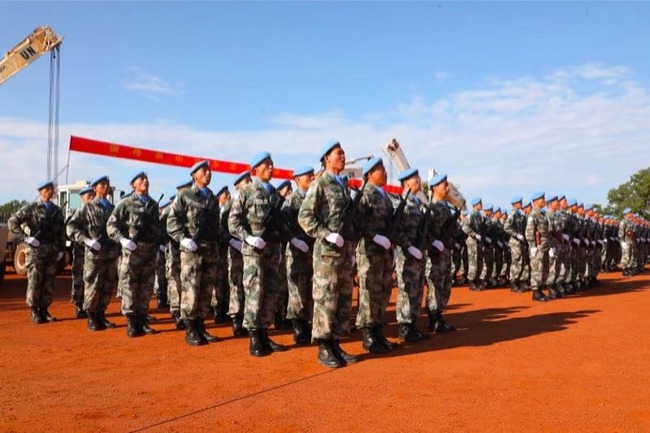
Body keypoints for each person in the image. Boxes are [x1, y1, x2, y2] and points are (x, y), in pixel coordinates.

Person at [299, 140, 358, 368]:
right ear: (327, 159)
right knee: (326, 299)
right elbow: (304, 217)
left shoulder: (342, 186)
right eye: (339, 153)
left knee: (342, 300)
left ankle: (334, 343)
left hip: (343, 254)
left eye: (343, 152)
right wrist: (326, 234)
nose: (343, 156)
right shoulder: (320, 184)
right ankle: (323, 348)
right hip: (326, 255)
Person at [228, 151, 287, 357]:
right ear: (255, 170)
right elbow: (233, 222)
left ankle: (264, 333)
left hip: (272, 251)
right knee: (255, 291)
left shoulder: (275, 195)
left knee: (270, 292)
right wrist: (248, 237)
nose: (271, 168)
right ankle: (253, 336)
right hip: (254, 252)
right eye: (266, 164)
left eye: (272, 164)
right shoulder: (246, 192)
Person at [167, 161, 221, 346]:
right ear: (194, 176)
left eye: (209, 170)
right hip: (192, 251)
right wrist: (183, 239)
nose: (208, 173)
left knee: (206, 290)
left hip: (209, 250)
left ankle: (200, 326)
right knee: (191, 289)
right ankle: (190, 328)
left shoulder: (212, 198)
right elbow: (172, 222)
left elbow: (216, 225)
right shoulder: (185, 195)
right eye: (204, 171)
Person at [107, 172, 162, 337]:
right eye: (141, 179)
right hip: (132, 251)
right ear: (133, 184)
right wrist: (123, 240)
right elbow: (111, 225)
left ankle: (142, 319)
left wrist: (157, 248)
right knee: (130, 286)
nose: (145, 181)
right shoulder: (126, 202)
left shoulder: (152, 204)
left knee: (146, 287)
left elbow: (157, 230)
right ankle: (131, 322)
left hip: (149, 251)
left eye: (147, 179)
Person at [354, 157, 398, 354]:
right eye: (380, 169)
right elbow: (359, 222)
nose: (385, 172)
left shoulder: (385, 196)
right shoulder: (365, 195)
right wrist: (375, 237)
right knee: (370, 293)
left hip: (385, 252)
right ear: (370, 174)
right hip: (370, 252)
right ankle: (368, 335)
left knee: (383, 291)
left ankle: (378, 330)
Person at [67, 175, 120, 331]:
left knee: (107, 285)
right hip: (94, 254)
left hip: (110, 253)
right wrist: (86, 240)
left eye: (107, 184)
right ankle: (91, 316)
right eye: (102, 184)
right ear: (95, 188)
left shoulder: (112, 209)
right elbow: (71, 227)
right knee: (93, 285)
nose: (105, 186)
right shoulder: (87, 207)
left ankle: (101, 314)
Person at [8, 180, 66, 323]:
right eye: (46, 189)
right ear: (40, 192)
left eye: (51, 189)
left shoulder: (57, 210)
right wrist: (26, 238)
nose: (49, 192)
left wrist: (61, 249)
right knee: (35, 281)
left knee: (49, 282)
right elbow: (12, 222)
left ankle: (44, 310)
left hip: (51, 251)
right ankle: (34, 311)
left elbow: (61, 231)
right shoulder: (32, 208)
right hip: (36, 251)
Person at [393, 168, 429, 342]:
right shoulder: (402, 204)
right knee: (407, 290)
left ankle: (413, 323)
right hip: (407, 256)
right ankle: (404, 326)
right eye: (416, 178)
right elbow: (397, 230)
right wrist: (409, 247)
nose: (419, 180)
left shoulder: (418, 203)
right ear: (406, 183)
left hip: (419, 254)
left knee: (417, 289)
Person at [282, 165, 316, 345]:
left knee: (311, 288)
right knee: (297, 290)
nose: (311, 177)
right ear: (297, 180)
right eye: (307, 175)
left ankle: (309, 323)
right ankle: (298, 327)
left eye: (312, 174)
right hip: (297, 251)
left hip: (312, 251)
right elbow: (284, 225)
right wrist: (294, 240)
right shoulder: (291, 200)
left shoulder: (314, 197)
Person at [425, 173, 458, 332]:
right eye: (444, 185)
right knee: (436, 284)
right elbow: (425, 230)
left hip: (446, 250)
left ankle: (439, 314)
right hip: (435, 253)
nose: (447, 188)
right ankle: (433, 318)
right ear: (435, 188)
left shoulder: (446, 206)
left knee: (445, 284)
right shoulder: (431, 208)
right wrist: (433, 242)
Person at [226, 171, 251, 337]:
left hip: (251, 248)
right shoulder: (231, 203)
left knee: (249, 284)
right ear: (238, 186)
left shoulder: (252, 199)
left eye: (250, 180)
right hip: (236, 249)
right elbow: (222, 227)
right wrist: (233, 241)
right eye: (246, 181)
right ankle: (236, 318)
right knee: (236, 284)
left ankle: (248, 319)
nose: (249, 183)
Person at [70, 186, 96, 318]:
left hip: (95, 251)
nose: (92, 197)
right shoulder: (78, 212)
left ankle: (91, 305)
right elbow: (70, 230)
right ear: (82, 197)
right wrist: (84, 239)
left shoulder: (97, 212)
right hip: (81, 249)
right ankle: (79, 305)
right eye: (89, 195)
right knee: (79, 278)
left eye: (93, 195)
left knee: (92, 278)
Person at [211, 185, 231, 324]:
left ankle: (225, 307)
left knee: (227, 280)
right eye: (225, 194)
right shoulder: (215, 211)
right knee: (216, 281)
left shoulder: (229, 211)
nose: (228, 196)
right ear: (219, 197)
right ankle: (217, 309)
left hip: (226, 250)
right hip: (215, 250)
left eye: (229, 193)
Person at [525, 192, 550, 301]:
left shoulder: (542, 214)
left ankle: (540, 289)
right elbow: (529, 231)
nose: (544, 200)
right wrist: (532, 246)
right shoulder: (533, 214)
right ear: (535, 201)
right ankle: (535, 291)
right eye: (542, 199)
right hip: (538, 245)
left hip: (544, 245)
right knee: (537, 268)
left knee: (544, 268)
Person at [462, 197, 485, 290]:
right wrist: (474, 235)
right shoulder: (471, 215)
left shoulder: (479, 215)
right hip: (472, 241)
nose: (481, 205)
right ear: (475, 205)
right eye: (480, 204)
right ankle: (471, 282)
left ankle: (477, 280)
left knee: (479, 261)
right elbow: (464, 227)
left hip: (478, 241)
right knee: (473, 262)